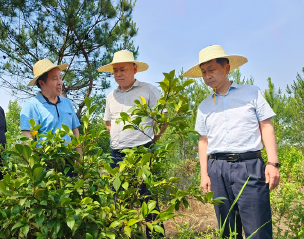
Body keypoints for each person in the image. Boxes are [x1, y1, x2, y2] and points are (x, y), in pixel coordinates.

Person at [182, 45, 280, 239]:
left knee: (258, 231)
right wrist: (204, 174)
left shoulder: (251, 93)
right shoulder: (204, 106)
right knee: (228, 230)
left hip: (249, 166)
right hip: (217, 169)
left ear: (226, 68)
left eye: (212, 70)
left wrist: (272, 163)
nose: (208, 76)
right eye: (203, 72)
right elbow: (203, 140)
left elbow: (266, 126)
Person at [99, 50, 167, 239]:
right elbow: (108, 123)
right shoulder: (111, 96)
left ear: (134, 69)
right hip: (117, 155)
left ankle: (154, 237)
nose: (118, 74)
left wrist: (152, 140)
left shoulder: (148, 90)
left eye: (122, 69)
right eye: (115, 71)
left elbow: (163, 119)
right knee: (118, 200)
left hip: (142, 151)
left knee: (149, 200)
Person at [20, 59, 82, 174]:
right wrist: (35, 169)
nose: (60, 82)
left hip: (68, 162)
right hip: (45, 163)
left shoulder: (67, 103)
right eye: (55, 79)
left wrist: (79, 162)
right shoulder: (32, 106)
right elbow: (28, 139)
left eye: (60, 78)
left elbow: (75, 133)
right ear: (42, 83)